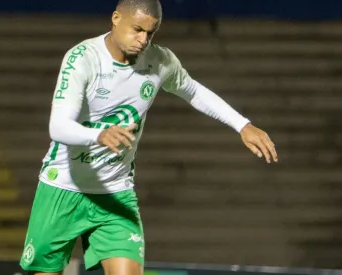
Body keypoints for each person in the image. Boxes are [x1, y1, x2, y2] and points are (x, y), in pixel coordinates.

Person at [19, 0, 278, 274]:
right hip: (63, 189)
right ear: (116, 18)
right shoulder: (83, 58)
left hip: (115, 194)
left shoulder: (159, 61)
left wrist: (243, 125)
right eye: (137, 29)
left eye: (150, 33)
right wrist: (99, 134)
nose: (143, 40)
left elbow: (192, 90)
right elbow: (58, 127)